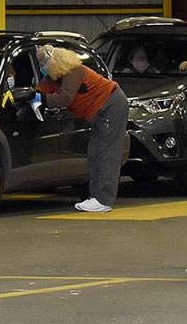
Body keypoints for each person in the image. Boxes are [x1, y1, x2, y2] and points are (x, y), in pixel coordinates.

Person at [35, 44, 129, 213]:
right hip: (101, 111)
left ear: (54, 62)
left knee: (105, 152)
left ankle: (103, 199)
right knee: (94, 153)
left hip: (111, 106)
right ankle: (96, 197)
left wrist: (41, 98)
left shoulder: (74, 71)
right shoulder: (54, 77)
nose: (42, 68)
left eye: (43, 64)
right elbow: (42, 89)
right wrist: (29, 94)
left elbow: (65, 98)